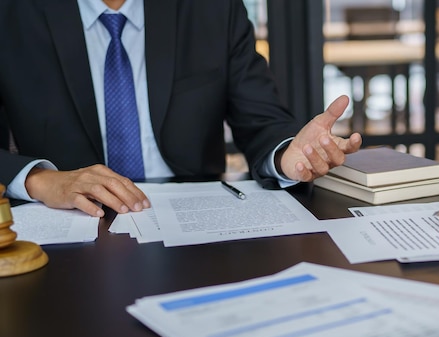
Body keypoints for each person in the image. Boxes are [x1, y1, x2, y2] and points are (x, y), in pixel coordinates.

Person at [0, 0, 362, 218]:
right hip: (69, 221)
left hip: (195, 220)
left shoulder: (212, 9)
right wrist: (39, 181)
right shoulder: (12, 15)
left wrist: (289, 156)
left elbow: (262, 121)